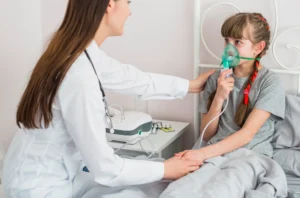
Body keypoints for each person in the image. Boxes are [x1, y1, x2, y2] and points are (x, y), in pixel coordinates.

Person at [2, 0, 214, 197]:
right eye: (128, 2)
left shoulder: (79, 53)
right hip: (38, 188)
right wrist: (167, 169)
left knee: (156, 180)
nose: (130, 11)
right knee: (140, 192)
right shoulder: (78, 76)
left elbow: (134, 79)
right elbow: (106, 169)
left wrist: (190, 86)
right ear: (110, 4)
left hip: (57, 174)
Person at [169, 12, 287, 197]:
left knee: (218, 191)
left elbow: (246, 135)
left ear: (258, 48)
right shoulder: (217, 78)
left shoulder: (270, 83)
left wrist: (202, 154)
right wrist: (219, 97)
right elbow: (207, 133)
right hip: (212, 153)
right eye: (226, 40)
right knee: (178, 189)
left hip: (249, 156)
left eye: (238, 42)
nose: (228, 48)